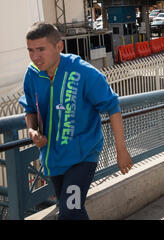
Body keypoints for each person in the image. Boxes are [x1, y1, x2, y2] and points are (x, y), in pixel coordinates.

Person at [19, 23, 133, 220]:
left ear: (59, 47)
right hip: (53, 158)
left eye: (41, 49)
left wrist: (121, 150)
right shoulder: (32, 73)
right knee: (72, 211)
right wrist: (32, 131)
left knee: (69, 211)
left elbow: (112, 106)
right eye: (30, 50)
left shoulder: (83, 71)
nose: (35, 56)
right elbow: (30, 110)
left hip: (83, 155)